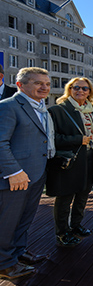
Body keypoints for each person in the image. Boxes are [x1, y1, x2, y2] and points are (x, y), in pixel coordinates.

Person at [0, 68, 54, 280]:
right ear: (21, 85)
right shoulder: (8, 107)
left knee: (24, 219)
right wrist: (14, 171)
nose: (44, 88)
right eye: (38, 83)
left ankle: (18, 253)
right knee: (7, 222)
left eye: (47, 84)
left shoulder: (41, 108)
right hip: (15, 178)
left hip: (35, 173)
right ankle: (4, 264)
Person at [47, 77, 93, 247]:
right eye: (76, 88)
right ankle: (62, 232)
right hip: (71, 159)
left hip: (90, 158)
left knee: (83, 195)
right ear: (69, 89)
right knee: (65, 197)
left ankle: (76, 225)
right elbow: (52, 139)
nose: (80, 91)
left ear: (90, 92)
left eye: (85, 89)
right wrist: (77, 139)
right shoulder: (57, 110)